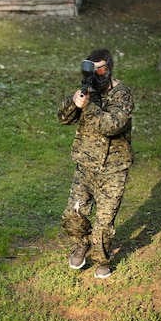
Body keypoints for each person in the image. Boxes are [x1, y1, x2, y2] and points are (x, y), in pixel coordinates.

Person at [57, 48, 134, 278]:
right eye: (93, 69)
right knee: (72, 215)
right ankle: (81, 244)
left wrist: (88, 107)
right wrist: (75, 102)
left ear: (109, 69)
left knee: (103, 225)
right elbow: (63, 118)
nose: (97, 74)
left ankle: (102, 260)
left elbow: (111, 126)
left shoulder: (122, 95)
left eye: (101, 69)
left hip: (113, 170)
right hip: (85, 167)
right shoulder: (88, 91)